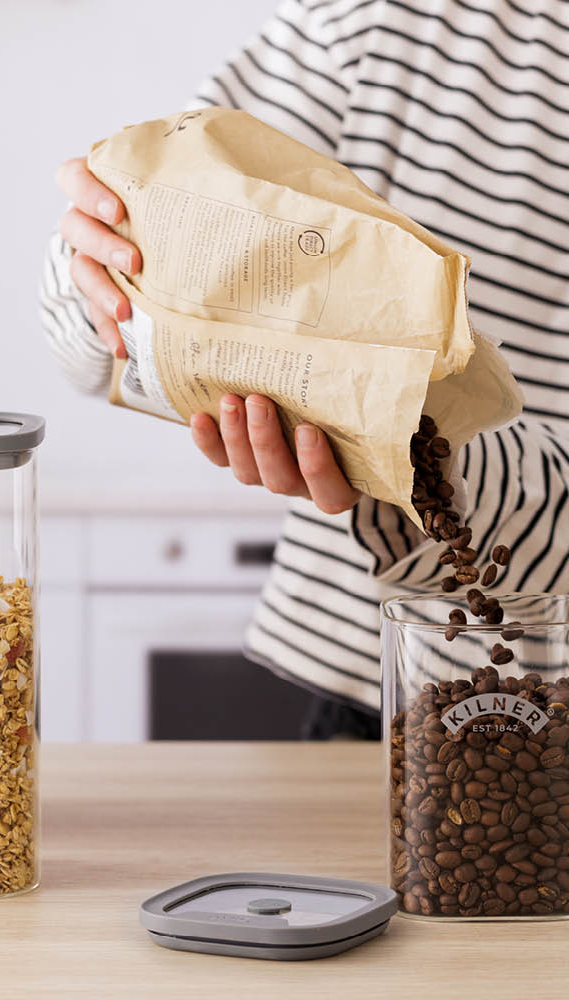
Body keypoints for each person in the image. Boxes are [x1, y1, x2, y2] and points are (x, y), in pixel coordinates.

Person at [39, 0, 569, 738]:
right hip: (374, 687)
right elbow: (90, 326)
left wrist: (412, 460)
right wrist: (99, 267)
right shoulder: (384, 21)